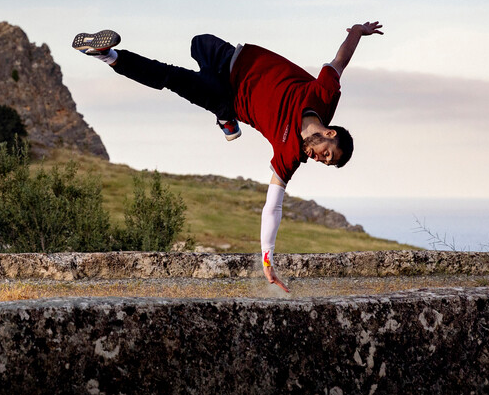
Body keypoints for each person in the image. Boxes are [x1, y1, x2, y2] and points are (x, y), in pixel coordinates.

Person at [72, 22, 384, 291]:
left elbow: (272, 206)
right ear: (330, 133)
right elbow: (341, 59)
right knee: (197, 41)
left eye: (324, 162)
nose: (319, 159)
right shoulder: (323, 96)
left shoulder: (289, 155)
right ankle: (224, 118)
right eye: (326, 155)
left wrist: (267, 259)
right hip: (230, 56)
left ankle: (106, 55)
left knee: (172, 78)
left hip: (228, 94)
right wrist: (358, 30)